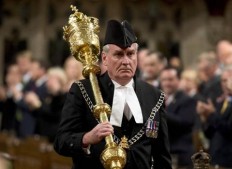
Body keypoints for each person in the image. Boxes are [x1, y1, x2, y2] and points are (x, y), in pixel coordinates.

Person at [54, 20, 172, 169]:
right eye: (118, 55)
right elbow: (61, 141)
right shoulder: (83, 90)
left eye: (130, 54)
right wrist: (87, 138)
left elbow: (162, 154)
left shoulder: (154, 95)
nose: (126, 61)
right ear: (105, 59)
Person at [160, 66, 197, 169]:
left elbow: (184, 123)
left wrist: (160, 111)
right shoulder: (159, 99)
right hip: (163, 154)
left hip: (180, 155)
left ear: (179, 80)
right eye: (164, 79)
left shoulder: (187, 100)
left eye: (171, 79)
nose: (167, 83)